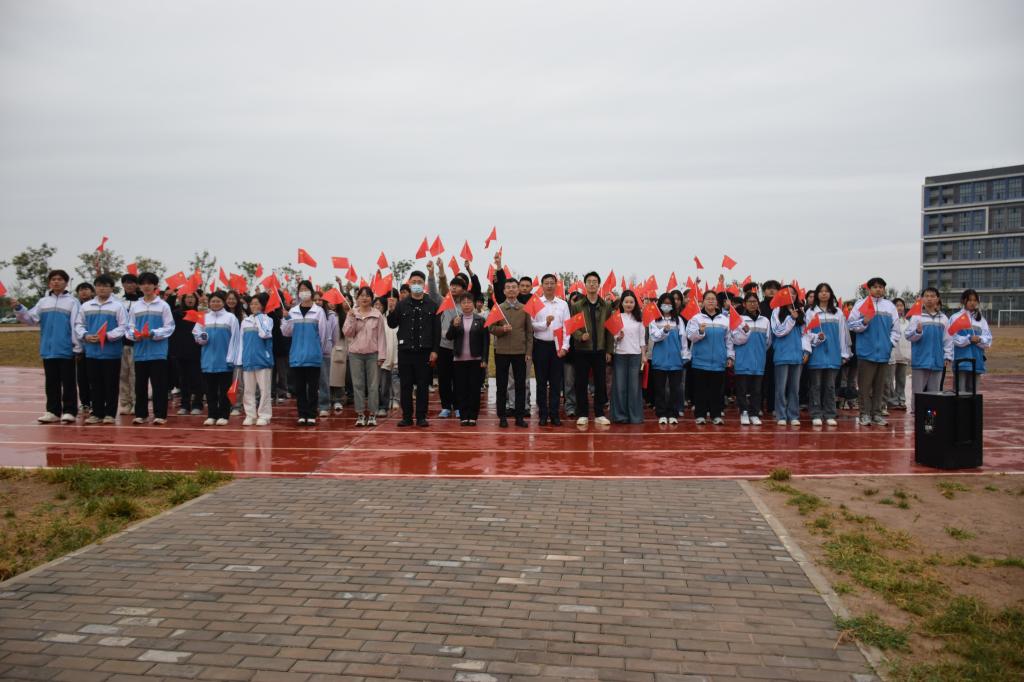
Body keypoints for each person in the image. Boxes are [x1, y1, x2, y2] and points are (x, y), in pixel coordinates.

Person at [12, 270, 81, 423]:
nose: (56, 282)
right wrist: (19, 308)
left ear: (66, 283)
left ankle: (69, 411)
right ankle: (53, 411)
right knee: (51, 382)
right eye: (53, 279)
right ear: (49, 282)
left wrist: (77, 347)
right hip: (48, 349)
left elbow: (76, 325)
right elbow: (31, 319)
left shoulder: (72, 302)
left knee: (68, 382)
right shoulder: (43, 302)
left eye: (60, 279)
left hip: (66, 349)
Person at [386, 270, 439, 427]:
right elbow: (392, 324)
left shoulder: (432, 305)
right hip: (406, 352)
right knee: (406, 385)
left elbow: (436, 331)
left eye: (419, 282)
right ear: (409, 284)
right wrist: (391, 310)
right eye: (413, 282)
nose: (416, 284)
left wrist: (435, 351)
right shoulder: (401, 304)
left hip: (424, 352)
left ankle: (421, 416)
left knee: (423, 386)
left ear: (424, 284)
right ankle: (407, 416)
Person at [847, 277, 901, 426]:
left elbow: (896, 330)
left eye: (881, 287)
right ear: (869, 289)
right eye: (875, 287)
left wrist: (889, 344)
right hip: (866, 352)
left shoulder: (889, 306)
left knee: (880, 386)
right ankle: (864, 414)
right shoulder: (861, 304)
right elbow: (851, 324)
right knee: (864, 386)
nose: (878, 289)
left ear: (884, 289)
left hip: (883, 353)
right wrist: (864, 321)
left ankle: (877, 414)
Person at [73, 274, 126, 424]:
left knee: (111, 384)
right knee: (95, 384)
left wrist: (107, 336)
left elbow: (123, 327)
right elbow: (78, 324)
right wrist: (85, 335)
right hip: (92, 352)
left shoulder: (118, 306)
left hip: (111, 353)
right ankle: (96, 413)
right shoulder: (86, 306)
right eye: (99, 285)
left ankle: (110, 414)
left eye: (105, 286)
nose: (102, 288)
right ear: (95, 288)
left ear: (111, 288)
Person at [126, 272, 175, 425]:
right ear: (139, 286)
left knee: (159, 385)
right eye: (143, 283)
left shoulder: (163, 305)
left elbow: (169, 327)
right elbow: (129, 327)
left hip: (158, 352)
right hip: (140, 352)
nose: (146, 286)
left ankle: (160, 415)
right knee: (140, 385)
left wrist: (153, 333)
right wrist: (134, 335)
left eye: (149, 283)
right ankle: (141, 414)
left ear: (155, 286)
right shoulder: (135, 306)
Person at [570, 271, 614, 427]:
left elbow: (610, 330)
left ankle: (599, 413)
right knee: (581, 383)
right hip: (582, 350)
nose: (592, 284)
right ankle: (582, 414)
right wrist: (580, 336)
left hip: (600, 350)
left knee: (600, 383)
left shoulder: (606, 306)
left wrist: (609, 350)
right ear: (585, 285)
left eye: (595, 281)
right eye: (589, 281)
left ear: (599, 285)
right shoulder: (577, 306)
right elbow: (572, 327)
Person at [281, 280, 329, 425]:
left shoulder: (318, 311)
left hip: (313, 356)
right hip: (297, 356)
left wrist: (319, 351)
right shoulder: (293, 312)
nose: (303, 292)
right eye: (301, 289)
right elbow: (286, 332)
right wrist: (286, 319)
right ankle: (302, 414)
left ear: (311, 292)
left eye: (306, 289)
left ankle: (312, 414)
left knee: (313, 388)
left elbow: (323, 335)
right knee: (299, 388)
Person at [804, 283, 849, 427]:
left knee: (830, 386)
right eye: (821, 291)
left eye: (827, 291)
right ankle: (816, 413)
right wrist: (817, 337)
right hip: (816, 354)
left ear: (831, 294)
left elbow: (843, 334)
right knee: (816, 386)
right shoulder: (811, 312)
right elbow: (806, 334)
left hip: (833, 354)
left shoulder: (838, 313)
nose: (824, 294)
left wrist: (844, 354)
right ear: (817, 294)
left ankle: (830, 413)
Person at [686, 290, 734, 424]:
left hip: (719, 361)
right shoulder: (696, 318)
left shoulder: (724, 320)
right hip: (700, 360)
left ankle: (716, 415)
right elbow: (690, 336)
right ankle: (700, 415)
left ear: (717, 302)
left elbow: (729, 340)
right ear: (703, 302)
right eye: (708, 299)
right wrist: (700, 331)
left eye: (713, 299)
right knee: (700, 390)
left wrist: (730, 357)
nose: (711, 301)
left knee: (717, 390)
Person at [342, 286, 387, 427]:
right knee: (357, 385)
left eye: (367, 295)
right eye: (361, 295)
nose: (364, 298)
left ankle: (373, 414)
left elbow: (381, 336)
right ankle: (360, 414)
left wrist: (382, 356)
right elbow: (347, 333)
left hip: (373, 354)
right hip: (355, 354)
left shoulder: (377, 315)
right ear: (357, 298)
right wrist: (351, 318)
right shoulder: (352, 313)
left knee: (373, 386)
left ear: (371, 298)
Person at [490, 278, 533, 428]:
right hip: (501, 352)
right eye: (508, 287)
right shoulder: (498, 308)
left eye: (514, 287)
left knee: (520, 385)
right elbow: (491, 328)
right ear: (504, 291)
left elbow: (529, 332)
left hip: (520, 352)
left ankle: (519, 416)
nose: (511, 290)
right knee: (501, 385)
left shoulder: (525, 309)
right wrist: (502, 329)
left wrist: (528, 351)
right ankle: (502, 416)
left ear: (518, 290)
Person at [193, 291, 240, 426]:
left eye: (218, 301)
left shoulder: (230, 318)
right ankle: (212, 415)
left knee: (224, 390)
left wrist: (232, 358)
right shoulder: (203, 317)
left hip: (225, 360)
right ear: (209, 303)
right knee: (210, 390)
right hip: (208, 360)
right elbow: (196, 334)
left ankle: (224, 415)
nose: (215, 303)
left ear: (223, 302)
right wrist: (201, 338)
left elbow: (236, 339)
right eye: (213, 301)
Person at [531, 274, 571, 426]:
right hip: (540, 346)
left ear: (556, 285)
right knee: (541, 382)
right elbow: (532, 325)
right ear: (542, 285)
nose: (549, 286)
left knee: (556, 383)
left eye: (552, 283)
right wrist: (545, 324)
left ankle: (554, 414)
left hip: (557, 347)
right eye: (546, 283)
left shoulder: (563, 304)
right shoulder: (536, 303)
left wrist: (565, 347)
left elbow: (567, 327)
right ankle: (543, 414)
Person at [434, 272, 476, 418]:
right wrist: (438, 272)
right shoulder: (444, 301)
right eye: (452, 286)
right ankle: (446, 406)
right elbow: (435, 289)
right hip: (444, 346)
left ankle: (458, 406)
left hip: (460, 347)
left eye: (457, 286)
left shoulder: (466, 304)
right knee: (444, 378)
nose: (453, 288)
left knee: (459, 379)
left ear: (464, 289)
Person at [904, 287, 952, 410]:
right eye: (926, 296)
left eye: (932, 296)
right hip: (920, 360)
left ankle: (932, 416)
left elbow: (948, 340)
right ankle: (917, 414)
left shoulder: (944, 318)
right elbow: (908, 336)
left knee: (934, 393)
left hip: (937, 361)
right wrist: (918, 332)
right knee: (918, 392)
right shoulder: (916, 317)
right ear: (922, 299)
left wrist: (947, 356)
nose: (929, 299)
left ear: (937, 299)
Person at [447, 293, 489, 426]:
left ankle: (473, 416)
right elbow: (449, 337)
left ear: (473, 304)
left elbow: (486, 341)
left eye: (469, 302)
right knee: (461, 389)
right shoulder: (456, 319)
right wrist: (453, 326)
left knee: (474, 389)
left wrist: (484, 359)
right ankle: (464, 416)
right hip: (459, 360)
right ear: (460, 305)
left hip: (476, 359)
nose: (466, 305)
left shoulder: (481, 320)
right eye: (464, 302)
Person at [731, 292, 771, 425]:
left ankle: (754, 413)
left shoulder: (765, 321)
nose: (753, 304)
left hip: (759, 360)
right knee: (742, 389)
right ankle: (744, 412)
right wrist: (745, 332)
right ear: (744, 304)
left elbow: (768, 341)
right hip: (742, 360)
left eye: (755, 301)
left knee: (757, 390)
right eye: (750, 301)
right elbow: (734, 339)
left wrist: (759, 351)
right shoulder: (739, 320)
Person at [771, 285, 808, 426]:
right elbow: (778, 331)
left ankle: (793, 415)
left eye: (794, 293)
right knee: (781, 388)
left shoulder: (801, 311)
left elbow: (805, 334)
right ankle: (781, 415)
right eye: (788, 293)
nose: (791, 295)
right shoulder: (777, 311)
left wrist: (806, 351)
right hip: (782, 355)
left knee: (794, 388)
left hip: (797, 355)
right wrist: (791, 319)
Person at [611, 290, 646, 424]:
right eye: (626, 302)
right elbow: (613, 338)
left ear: (635, 304)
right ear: (622, 303)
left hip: (635, 356)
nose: (629, 304)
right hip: (620, 355)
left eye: (631, 302)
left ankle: (635, 416)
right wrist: (618, 337)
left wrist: (643, 356)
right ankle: (620, 416)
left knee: (634, 387)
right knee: (620, 386)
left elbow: (642, 340)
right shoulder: (617, 317)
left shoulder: (639, 319)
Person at [648, 292, 684, 425]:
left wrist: (684, 355)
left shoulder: (678, 320)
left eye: (669, 303)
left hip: (675, 359)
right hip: (659, 359)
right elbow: (654, 337)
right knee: (660, 389)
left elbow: (683, 339)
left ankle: (673, 413)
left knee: (675, 388)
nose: (667, 306)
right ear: (660, 305)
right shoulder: (654, 320)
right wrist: (664, 331)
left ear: (673, 305)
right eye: (664, 303)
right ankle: (661, 413)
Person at [239, 292, 274, 426]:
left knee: (264, 390)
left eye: (256, 304)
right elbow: (241, 341)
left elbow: (265, 334)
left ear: (262, 306)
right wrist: (240, 358)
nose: (254, 306)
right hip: (248, 359)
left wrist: (259, 318)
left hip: (263, 359)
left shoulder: (267, 319)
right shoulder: (245, 321)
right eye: (252, 304)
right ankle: (250, 415)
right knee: (248, 390)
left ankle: (264, 415)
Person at [948, 288, 992, 392]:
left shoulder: (981, 320)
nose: (972, 303)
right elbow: (951, 337)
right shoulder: (955, 318)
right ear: (964, 301)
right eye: (970, 300)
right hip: (961, 361)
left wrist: (980, 339)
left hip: (977, 361)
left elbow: (988, 339)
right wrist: (968, 339)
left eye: (975, 300)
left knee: (974, 393)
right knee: (960, 392)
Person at [171, 292, 204, 415]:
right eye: (188, 297)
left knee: (197, 378)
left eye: (192, 297)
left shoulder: (201, 314)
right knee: (183, 379)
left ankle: (197, 404)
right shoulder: (177, 314)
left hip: (197, 350)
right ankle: (185, 404)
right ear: (183, 299)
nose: (190, 300)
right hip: (181, 351)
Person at [117, 273, 141, 415]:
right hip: (120, 344)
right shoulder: (118, 302)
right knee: (122, 375)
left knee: (135, 375)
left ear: (137, 285)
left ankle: (136, 402)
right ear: (123, 285)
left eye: (132, 282)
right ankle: (125, 403)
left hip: (137, 344)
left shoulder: (142, 302)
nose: (129, 285)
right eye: (126, 282)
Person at [316, 294, 342, 418]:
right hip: (310, 352)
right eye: (315, 299)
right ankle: (313, 404)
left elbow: (335, 335)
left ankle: (324, 406)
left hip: (325, 352)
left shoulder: (331, 316)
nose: (317, 302)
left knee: (324, 380)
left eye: (320, 299)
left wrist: (329, 346)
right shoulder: (310, 314)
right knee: (311, 381)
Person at [885, 298, 911, 411]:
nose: (899, 308)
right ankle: (892, 400)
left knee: (901, 380)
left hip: (903, 355)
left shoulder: (907, 322)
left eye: (901, 305)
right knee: (889, 380)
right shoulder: (890, 320)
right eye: (897, 305)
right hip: (892, 354)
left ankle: (901, 399)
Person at [375, 295, 399, 415]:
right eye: (376, 304)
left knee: (396, 380)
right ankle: (383, 405)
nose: (378, 307)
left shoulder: (396, 316)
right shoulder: (379, 319)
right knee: (383, 383)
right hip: (383, 356)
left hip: (396, 354)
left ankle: (396, 399)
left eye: (380, 304)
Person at [73, 282, 95, 415]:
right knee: (81, 378)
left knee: (94, 377)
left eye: (86, 289)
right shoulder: (75, 307)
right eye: (80, 290)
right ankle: (85, 403)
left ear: (92, 292)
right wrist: (77, 347)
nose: (83, 292)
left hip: (95, 347)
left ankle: (95, 402)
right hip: (80, 349)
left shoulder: (96, 306)